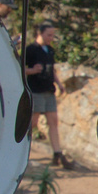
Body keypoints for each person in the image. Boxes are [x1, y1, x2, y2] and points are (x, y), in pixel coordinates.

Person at [24, 22, 70, 168]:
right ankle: (23, 153)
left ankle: (57, 153)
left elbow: (52, 69)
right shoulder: (30, 50)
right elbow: (19, 68)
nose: (51, 38)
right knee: (33, 122)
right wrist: (32, 71)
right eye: (49, 35)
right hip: (35, 89)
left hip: (48, 90)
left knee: (53, 121)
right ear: (40, 33)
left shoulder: (49, 50)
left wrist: (59, 83)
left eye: (52, 35)